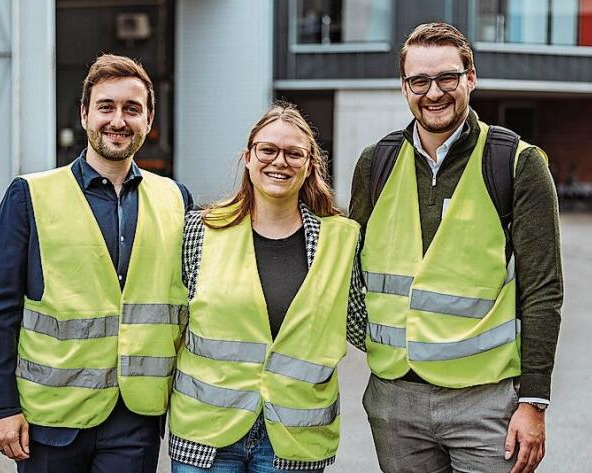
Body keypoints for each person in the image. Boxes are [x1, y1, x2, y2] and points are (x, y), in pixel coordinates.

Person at [349, 23, 563, 473]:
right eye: (419, 81)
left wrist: (534, 401)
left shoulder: (516, 162)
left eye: (447, 77)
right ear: (404, 87)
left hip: (484, 402)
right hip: (395, 400)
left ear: (470, 77)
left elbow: (542, 290)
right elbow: (347, 266)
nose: (434, 93)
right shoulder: (377, 162)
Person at [0, 53, 192, 473]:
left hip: (136, 418)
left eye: (132, 109)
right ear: (84, 114)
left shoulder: (176, 199)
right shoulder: (29, 195)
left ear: (149, 120)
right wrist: (2, 405)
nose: (118, 120)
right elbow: (0, 307)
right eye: (106, 107)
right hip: (51, 418)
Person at [167, 102, 367, 472]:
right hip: (206, 437)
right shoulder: (200, 230)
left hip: (294, 441)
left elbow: (364, 327)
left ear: (309, 165)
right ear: (247, 157)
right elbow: (170, 324)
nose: (280, 161)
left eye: (294, 153)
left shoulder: (341, 241)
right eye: (268, 150)